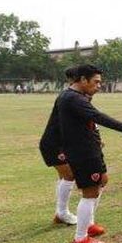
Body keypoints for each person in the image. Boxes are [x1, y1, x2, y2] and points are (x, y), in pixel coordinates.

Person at [58, 64, 122, 243]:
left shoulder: (73, 97)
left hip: (90, 149)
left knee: (102, 181)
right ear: (82, 80)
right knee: (90, 192)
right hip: (84, 152)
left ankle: (89, 224)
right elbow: (99, 117)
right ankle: (80, 239)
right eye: (96, 82)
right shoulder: (73, 99)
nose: (99, 86)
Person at [39, 66, 80, 226]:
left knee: (65, 176)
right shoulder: (68, 97)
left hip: (59, 142)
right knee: (69, 175)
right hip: (55, 144)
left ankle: (60, 213)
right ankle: (62, 213)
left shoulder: (70, 95)